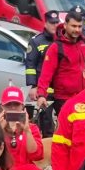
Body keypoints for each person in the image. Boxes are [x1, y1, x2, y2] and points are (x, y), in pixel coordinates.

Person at [37, 6, 85, 115]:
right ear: (65, 25)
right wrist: (41, 95)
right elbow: (46, 74)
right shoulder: (56, 47)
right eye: (74, 26)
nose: (77, 30)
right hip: (64, 99)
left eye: (80, 26)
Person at [25, 9, 59, 137]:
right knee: (46, 123)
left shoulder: (62, 40)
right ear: (45, 23)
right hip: (44, 90)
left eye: (57, 22)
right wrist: (32, 86)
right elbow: (30, 65)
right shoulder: (36, 41)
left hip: (60, 89)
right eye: (52, 23)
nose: (55, 25)